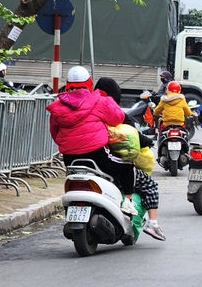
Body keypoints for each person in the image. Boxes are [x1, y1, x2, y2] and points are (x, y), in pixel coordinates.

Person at [47, 66, 137, 216]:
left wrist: (70, 145)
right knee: (128, 166)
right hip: (97, 155)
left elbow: (55, 133)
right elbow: (118, 118)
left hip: (69, 158)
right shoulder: (99, 101)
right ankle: (128, 202)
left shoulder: (58, 107)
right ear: (89, 82)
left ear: (67, 84)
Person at [95, 77, 166, 240]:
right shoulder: (115, 113)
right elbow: (133, 136)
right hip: (110, 162)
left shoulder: (88, 108)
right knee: (150, 185)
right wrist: (146, 141)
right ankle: (153, 224)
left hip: (85, 159)